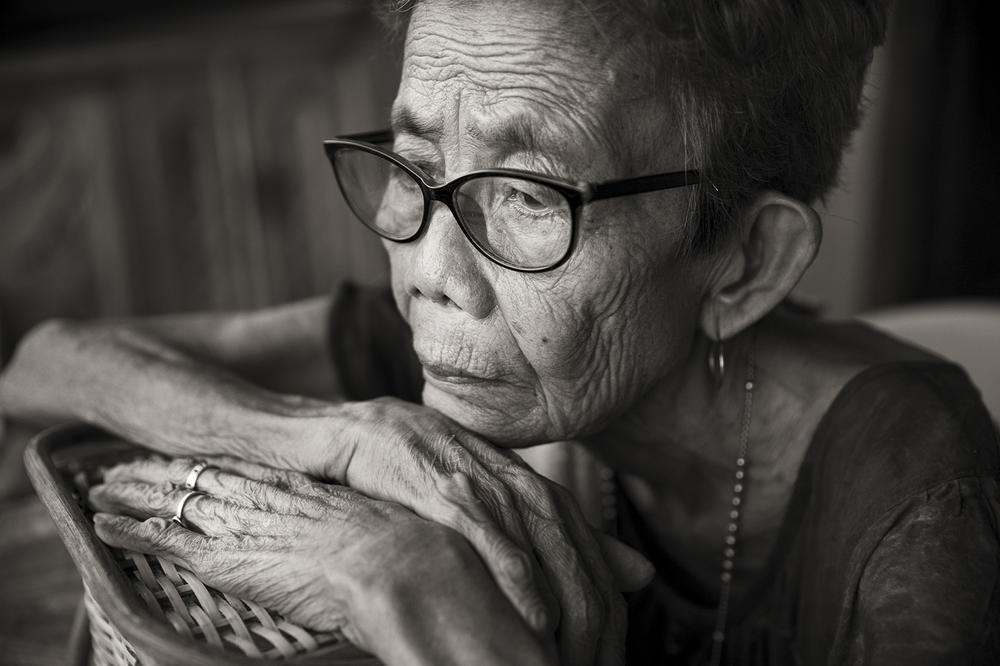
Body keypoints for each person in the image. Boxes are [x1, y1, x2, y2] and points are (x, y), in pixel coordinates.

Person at [1, 0, 998, 664]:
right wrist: (335, 438)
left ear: (744, 262)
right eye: (411, 162)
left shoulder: (922, 520)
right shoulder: (495, 344)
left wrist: (407, 583)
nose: (431, 274)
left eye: (527, 194)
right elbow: (45, 365)